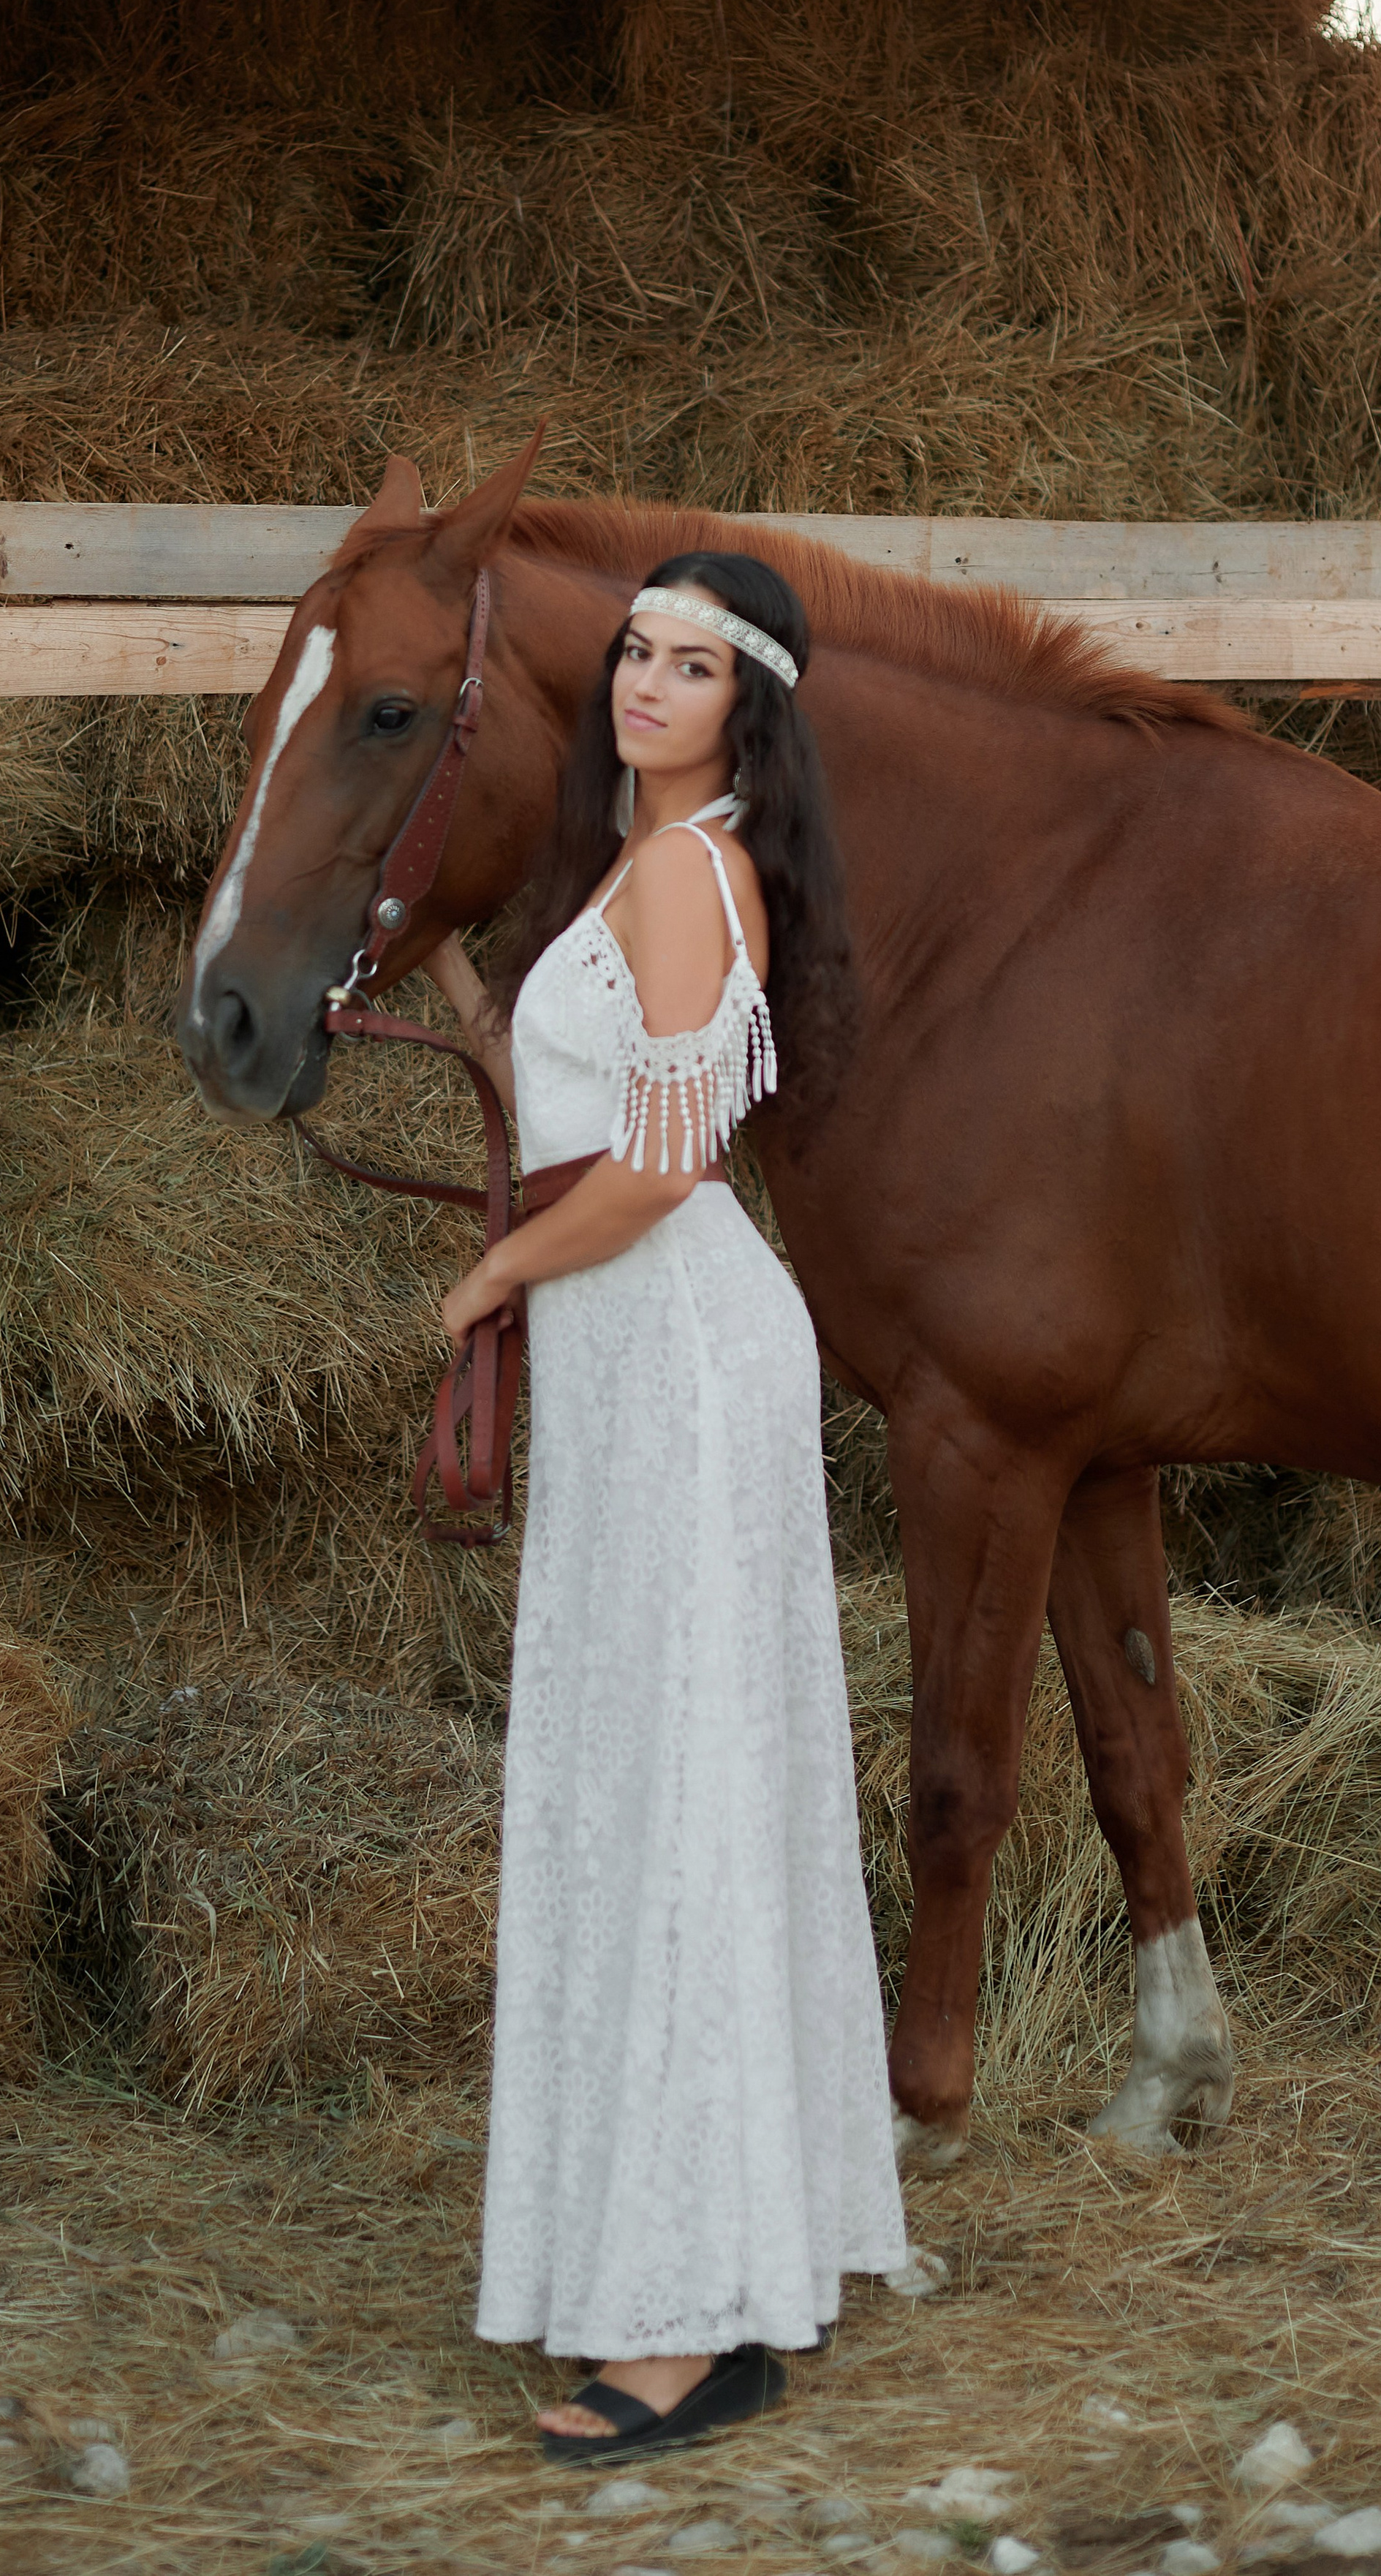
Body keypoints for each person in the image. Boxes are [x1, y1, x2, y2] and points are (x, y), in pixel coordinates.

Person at [421, 550, 907, 2464]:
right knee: (655, 1782)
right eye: (635, 649)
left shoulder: (696, 876)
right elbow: (579, 1096)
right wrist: (453, 986)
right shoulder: (635, 868)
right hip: (636, 1355)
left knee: (682, 1790)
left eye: (692, 667)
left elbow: (665, 1160)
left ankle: (693, 2328)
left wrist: (494, 1274)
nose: (644, 682)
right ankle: (712, 2262)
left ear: (747, 710)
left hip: (681, 1349)